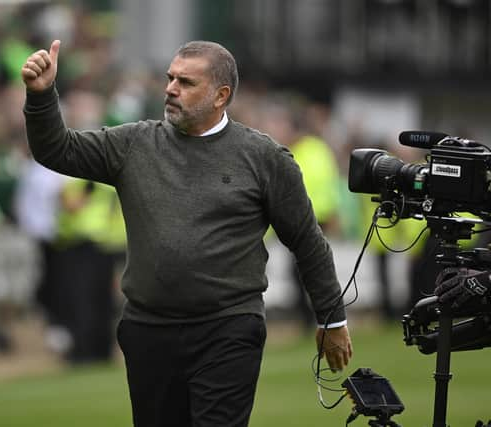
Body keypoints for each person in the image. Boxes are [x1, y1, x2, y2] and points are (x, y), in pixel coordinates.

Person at [22, 39, 353, 427]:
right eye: (170, 78)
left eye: (186, 82)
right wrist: (42, 96)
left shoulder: (264, 158)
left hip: (227, 328)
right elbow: (56, 150)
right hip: (148, 329)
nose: (170, 88)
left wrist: (331, 320)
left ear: (220, 95)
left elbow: (307, 242)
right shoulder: (134, 143)